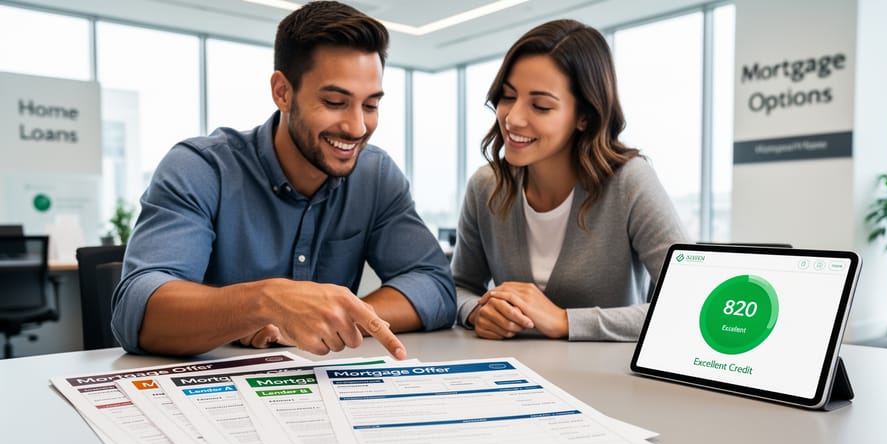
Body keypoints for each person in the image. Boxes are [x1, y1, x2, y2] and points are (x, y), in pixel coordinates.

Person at [111, 1, 455, 359]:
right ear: (282, 92)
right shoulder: (200, 168)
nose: (357, 127)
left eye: (370, 105)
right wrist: (265, 304)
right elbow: (137, 310)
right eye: (336, 102)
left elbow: (434, 286)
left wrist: (329, 318)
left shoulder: (376, 176)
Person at [452, 19, 686, 341]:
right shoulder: (486, 186)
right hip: (512, 376)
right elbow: (457, 287)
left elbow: (686, 301)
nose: (513, 118)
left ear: (584, 116)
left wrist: (565, 321)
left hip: (603, 383)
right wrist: (476, 311)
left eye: (541, 106)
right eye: (507, 97)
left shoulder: (629, 182)